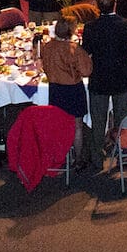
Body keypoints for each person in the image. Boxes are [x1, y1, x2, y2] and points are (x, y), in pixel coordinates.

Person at [82, 0, 127, 170]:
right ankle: (122, 153)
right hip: (122, 77)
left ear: (98, 7)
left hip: (99, 78)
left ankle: (97, 158)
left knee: (98, 120)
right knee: (122, 118)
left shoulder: (90, 27)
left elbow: (86, 50)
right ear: (115, 5)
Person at [40, 17, 93, 163]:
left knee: (58, 124)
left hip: (56, 90)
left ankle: (59, 156)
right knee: (77, 127)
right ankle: (78, 159)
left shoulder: (48, 47)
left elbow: (45, 66)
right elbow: (86, 71)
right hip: (73, 90)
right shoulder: (74, 49)